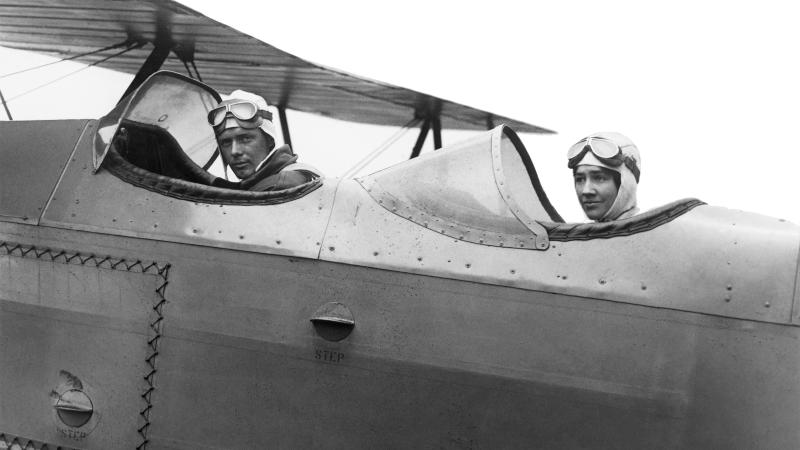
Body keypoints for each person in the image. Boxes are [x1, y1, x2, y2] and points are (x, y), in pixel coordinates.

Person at [207, 90, 320, 191]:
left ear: (269, 140)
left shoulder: (281, 186)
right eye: (226, 142)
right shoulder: (257, 186)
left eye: (245, 139)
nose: (234, 151)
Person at [567, 132, 641, 221]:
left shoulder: (652, 232)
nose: (586, 191)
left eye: (599, 178)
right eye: (580, 179)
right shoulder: (579, 233)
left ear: (626, 183)